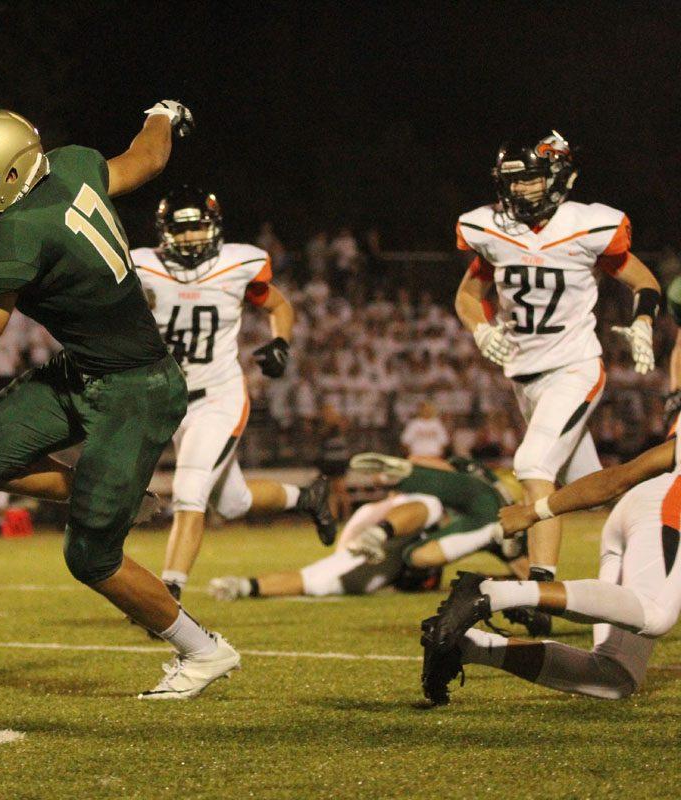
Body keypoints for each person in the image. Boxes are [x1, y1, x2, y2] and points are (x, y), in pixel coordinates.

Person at [0, 102, 241, 700]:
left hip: (136, 390)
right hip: (86, 368)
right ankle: (108, 499)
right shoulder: (72, 166)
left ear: (8, 174)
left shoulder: (12, 236)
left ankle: (204, 650)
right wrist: (163, 114)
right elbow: (149, 155)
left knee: (90, 557)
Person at [420, 334, 681, 704]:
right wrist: (535, 511)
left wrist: (537, 510)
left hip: (638, 512)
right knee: (655, 614)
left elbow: (623, 476)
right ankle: (492, 593)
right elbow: (622, 476)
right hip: (667, 512)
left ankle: (465, 647)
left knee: (614, 677)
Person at [454, 131, 661, 587]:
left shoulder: (586, 226)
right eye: (513, 181)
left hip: (574, 366)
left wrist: (644, 322)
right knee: (595, 487)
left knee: (533, 466)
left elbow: (645, 282)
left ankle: (541, 588)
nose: (519, 190)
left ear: (559, 176)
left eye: (530, 179)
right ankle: (668, 511)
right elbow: (468, 296)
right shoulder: (492, 230)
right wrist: (481, 327)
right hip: (524, 378)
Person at [132, 186, 336, 602]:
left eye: (196, 229)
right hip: (171, 400)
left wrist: (281, 343)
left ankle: (167, 594)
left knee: (190, 493)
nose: (189, 239)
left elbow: (280, 306)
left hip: (217, 397)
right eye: (180, 231)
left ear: (213, 228)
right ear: (164, 233)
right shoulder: (143, 268)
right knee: (234, 502)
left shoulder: (237, 264)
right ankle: (307, 496)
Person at [209, 456, 535, 616]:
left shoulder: (492, 518)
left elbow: (525, 573)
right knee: (431, 504)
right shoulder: (476, 483)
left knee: (322, 582)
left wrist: (499, 573)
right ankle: (379, 533)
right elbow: (442, 471)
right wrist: (407, 471)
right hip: (398, 518)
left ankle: (246, 586)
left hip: (408, 552)